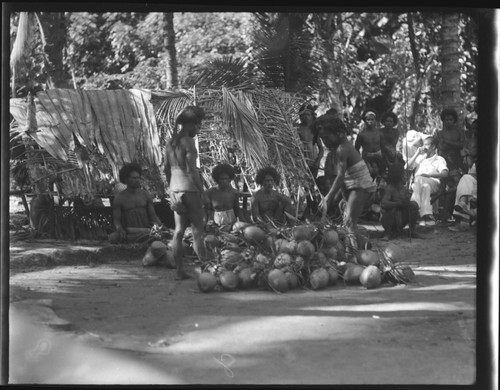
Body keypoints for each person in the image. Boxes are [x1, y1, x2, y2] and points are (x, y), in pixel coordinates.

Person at [316, 114, 377, 259]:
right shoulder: (338, 148)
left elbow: (340, 176)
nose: (324, 141)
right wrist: (341, 198)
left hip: (360, 187)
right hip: (354, 187)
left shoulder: (343, 148)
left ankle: (354, 255)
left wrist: (328, 197)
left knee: (349, 222)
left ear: (340, 133)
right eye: (322, 139)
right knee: (348, 222)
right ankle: (360, 250)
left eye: (326, 137)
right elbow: (343, 181)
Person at [165, 105, 208, 280]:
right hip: (189, 189)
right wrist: (202, 190)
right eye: (199, 125)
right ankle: (207, 269)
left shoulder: (170, 142)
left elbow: (167, 169)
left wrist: (171, 191)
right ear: (194, 124)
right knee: (197, 231)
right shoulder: (188, 142)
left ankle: (179, 272)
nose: (199, 129)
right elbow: (192, 171)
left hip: (175, 188)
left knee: (178, 231)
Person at [110, 162, 162, 244]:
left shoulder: (145, 195)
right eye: (133, 178)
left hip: (147, 231)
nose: (137, 180)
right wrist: (120, 230)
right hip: (129, 232)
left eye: (138, 178)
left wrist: (159, 227)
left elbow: (153, 216)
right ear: (126, 179)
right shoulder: (119, 198)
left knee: (160, 236)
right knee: (113, 238)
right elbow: (117, 221)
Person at [407, 136, 449, 226]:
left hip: (434, 183)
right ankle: (426, 215)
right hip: (419, 185)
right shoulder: (420, 158)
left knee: (419, 179)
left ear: (433, 146)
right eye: (423, 145)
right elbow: (406, 167)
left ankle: (414, 205)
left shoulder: (439, 159)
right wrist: (417, 154)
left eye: (426, 145)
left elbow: (445, 174)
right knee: (424, 187)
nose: (423, 147)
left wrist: (429, 175)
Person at [380, 163, 421, 240]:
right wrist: (398, 203)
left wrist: (407, 201)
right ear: (398, 176)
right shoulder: (390, 188)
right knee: (391, 209)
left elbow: (406, 204)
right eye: (404, 174)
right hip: (390, 220)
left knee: (414, 205)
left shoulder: (404, 189)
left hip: (401, 219)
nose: (405, 176)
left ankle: (411, 231)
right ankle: (387, 233)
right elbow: (383, 203)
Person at [204, 163, 246, 231]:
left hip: (232, 225)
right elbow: (205, 211)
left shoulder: (234, 192)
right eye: (221, 179)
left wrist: (244, 222)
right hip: (215, 227)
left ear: (230, 179)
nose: (224, 181)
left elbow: (237, 210)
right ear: (217, 179)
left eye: (226, 179)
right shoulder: (210, 193)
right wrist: (206, 224)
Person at [296, 103, 324, 178]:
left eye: (308, 115)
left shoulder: (314, 129)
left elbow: (321, 148)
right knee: (305, 182)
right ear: (300, 116)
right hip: (301, 160)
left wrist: (318, 161)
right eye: (304, 115)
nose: (306, 117)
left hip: (313, 160)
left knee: (313, 181)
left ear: (312, 116)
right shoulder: (297, 129)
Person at [354, 109, 383, 178]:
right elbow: (356, 148)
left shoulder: (380, 133)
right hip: (367, 157)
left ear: (375, 120)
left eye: (372, 119)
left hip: (379, 157)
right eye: (368, 119)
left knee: (380, 175)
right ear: (365, 121)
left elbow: (383, 146)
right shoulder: (361, 135)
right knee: (368, 175)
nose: (370, 121)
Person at [449, 163, 477, 232]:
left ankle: (463, 204)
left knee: (465, 178)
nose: (464, 160)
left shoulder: (474, 164)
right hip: (471, 192)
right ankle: (463, 204)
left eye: (455, 175)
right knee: (463, 189)